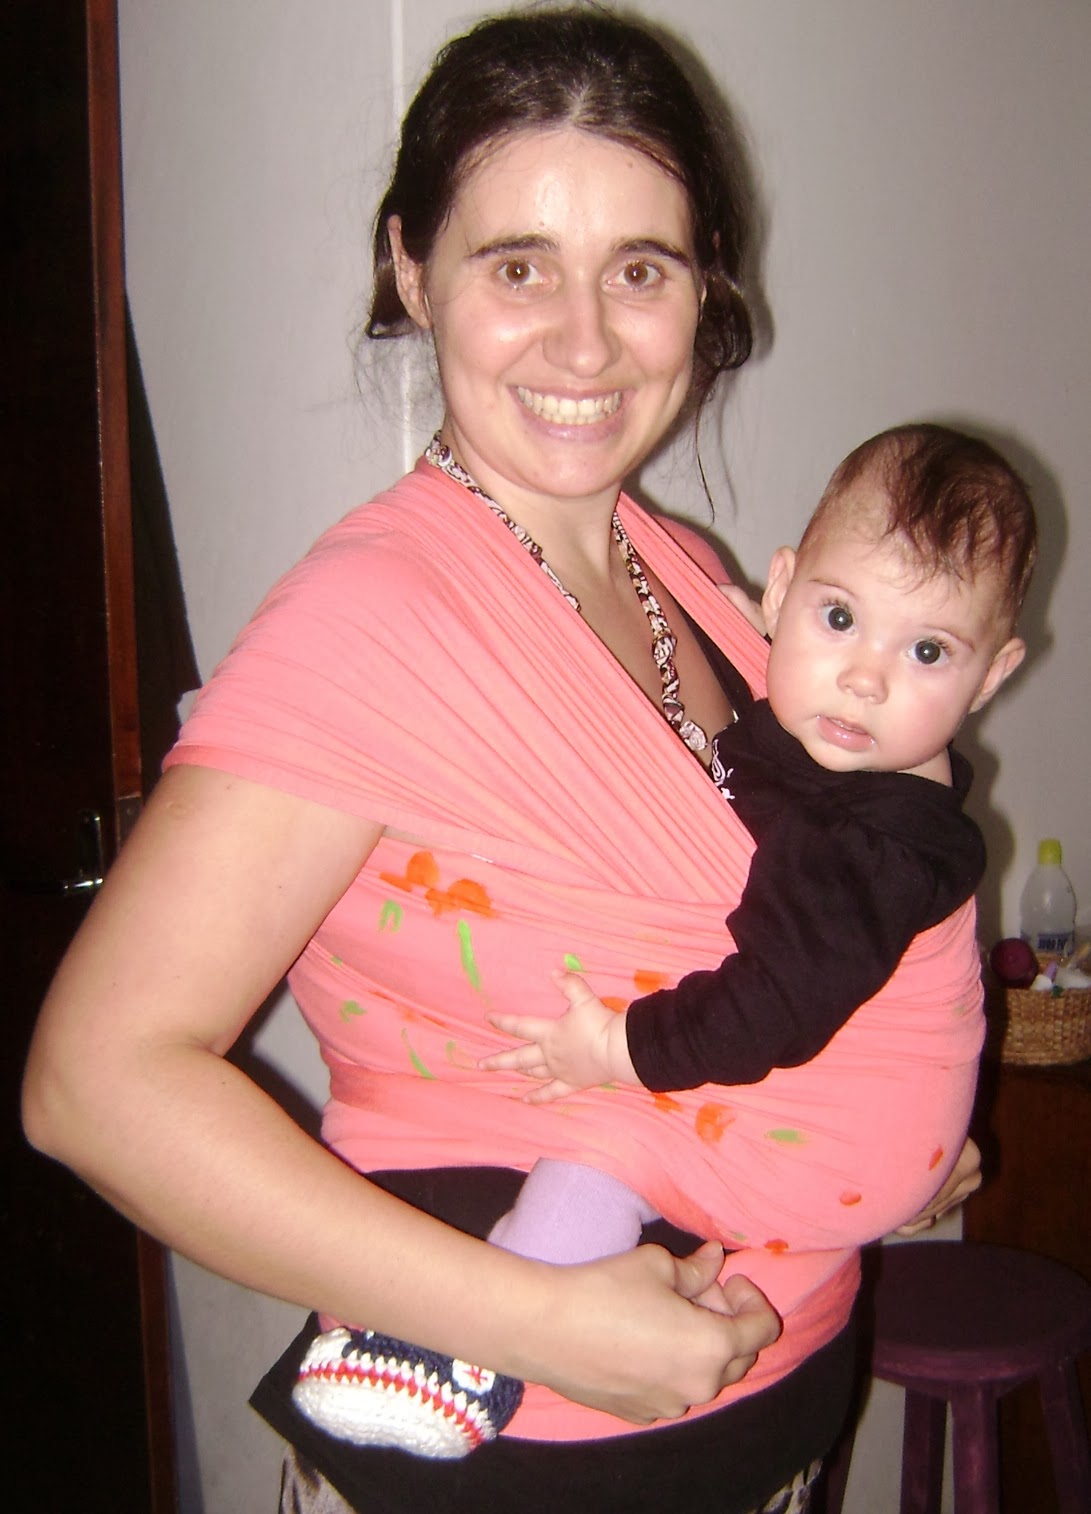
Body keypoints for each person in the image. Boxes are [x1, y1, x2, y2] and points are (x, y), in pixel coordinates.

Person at [21, 10, 981, 1513]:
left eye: (640, 271)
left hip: (777, 1424)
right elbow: (93, 1082)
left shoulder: (694, 577)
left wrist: (881, 1141)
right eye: (517, 266)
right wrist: (536, 1323)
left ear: (704, 289)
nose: (585, 343)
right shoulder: (375, 622)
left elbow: (804, 947)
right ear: (412, 270)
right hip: (509, 1465)